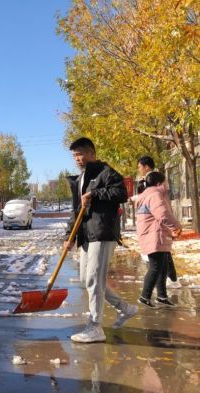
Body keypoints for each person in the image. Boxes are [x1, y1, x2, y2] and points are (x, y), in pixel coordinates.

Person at [64, 137, 138, 343]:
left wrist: (95, 193)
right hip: (87, 235)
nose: (77, 158)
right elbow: (76, 211)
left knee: (94, 280)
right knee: (87, 280)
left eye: (81, 153)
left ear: (92, 154)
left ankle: (95, 326)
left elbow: (122, 193)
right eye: (75, 155)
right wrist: (69, 236)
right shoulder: (79, 180)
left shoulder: (106, 172)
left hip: (103, 232)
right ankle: (125, 308)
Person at [136, 172, 182, 308]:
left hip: (156, 235)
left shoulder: (147, 195)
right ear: (158, 183)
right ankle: (145, 296)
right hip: (154, 236)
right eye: (165, 181)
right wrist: (177, 226)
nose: (167, 184)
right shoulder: (155, 195)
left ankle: (162, 296)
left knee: (162, 267)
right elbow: (163, 215)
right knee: (156, 267)